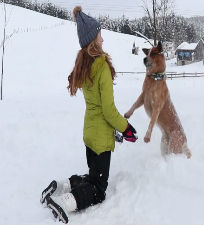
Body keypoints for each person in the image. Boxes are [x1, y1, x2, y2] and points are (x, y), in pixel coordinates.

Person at [40, 6, 137, 224]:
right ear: (93, 39)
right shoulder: (102, 67)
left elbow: (99, 108)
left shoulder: (83, 64)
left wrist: (118, 131)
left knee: (93, 176)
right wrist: (126, 128)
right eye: (100, 34)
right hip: (101, 139)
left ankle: (62, 184)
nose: (103, 38)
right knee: (98, 189)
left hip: (90, 134)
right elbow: (108, 110)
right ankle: (65, 202)